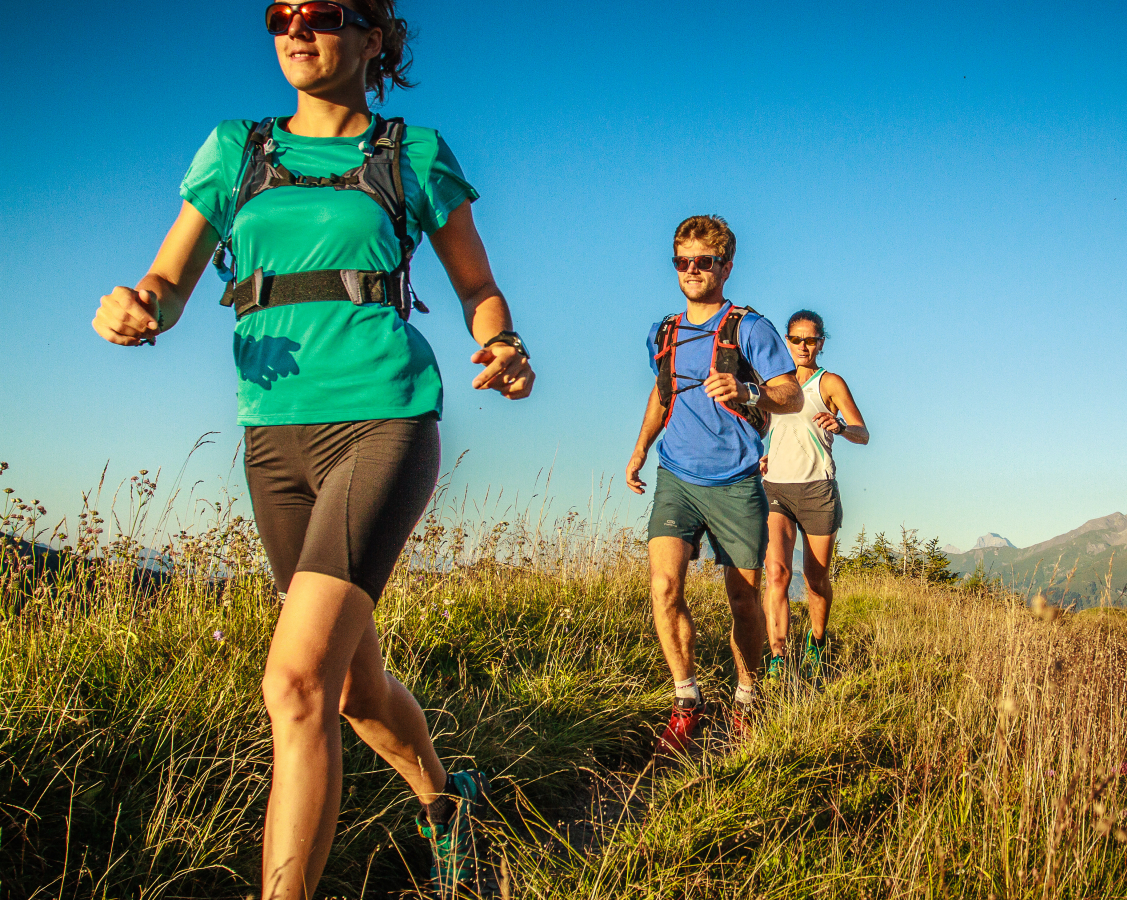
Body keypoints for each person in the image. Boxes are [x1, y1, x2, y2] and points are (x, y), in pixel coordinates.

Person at [90, 3, 530, 897]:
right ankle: (450, 805)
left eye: (321, 13)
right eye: (280, 13)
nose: (296, 28)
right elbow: (169, 280)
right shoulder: (233, 151)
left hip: (385, 417)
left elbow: (477, 285)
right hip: (272, 442)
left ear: (374, 38)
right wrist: (137, 307)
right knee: (350, 688)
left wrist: (504, 342)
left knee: (293, 682)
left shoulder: (413, 153)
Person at [625, 215, 802, 751]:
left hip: (735, 480)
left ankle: (747, 696)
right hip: (675, 474)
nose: (693, 271)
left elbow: (789, 394)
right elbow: (663, 394)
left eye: (704, 261)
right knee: (664, 587)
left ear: (726, 266)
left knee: (743, 601)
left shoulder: (750, 328)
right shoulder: (665, 332)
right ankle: (686, 701)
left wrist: (748, 393)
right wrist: (637, 454)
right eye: (683, 261)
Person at [759, 311, 869, 686]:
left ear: (821, 342)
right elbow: (760, 427)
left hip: (817, 489)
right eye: (796, 339)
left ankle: (817, 642)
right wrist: (756, 454)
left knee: (815, 579)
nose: (803, 347)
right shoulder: (773, 383)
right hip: (774, 487)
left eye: (811, 340)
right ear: (785, 341)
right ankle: (777, 657)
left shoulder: (830, 383)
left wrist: (841, 426)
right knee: (776, 573)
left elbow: (863, 432)